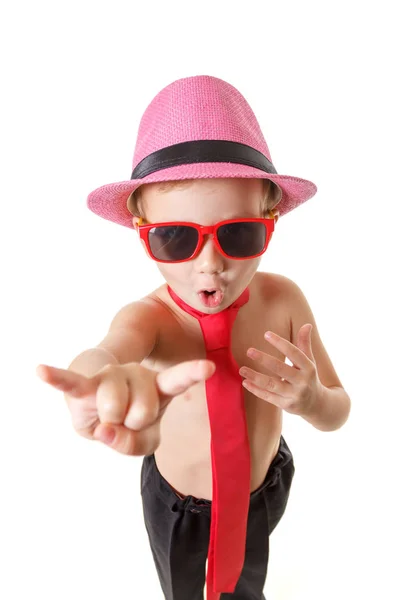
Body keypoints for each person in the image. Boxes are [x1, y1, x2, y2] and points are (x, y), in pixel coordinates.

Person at [36, 75, 351, 600]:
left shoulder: (285, 302)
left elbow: (339, 409)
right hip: (179, 506)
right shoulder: (152, 319)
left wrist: (313, 399)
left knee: (247, 583)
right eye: (176, 238)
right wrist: (97, 383)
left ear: (271, 217)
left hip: (262, 491)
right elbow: (110, 350)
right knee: (183, 591)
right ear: (143, 228)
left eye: (239, 233)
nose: (212, 265)